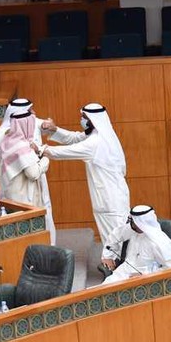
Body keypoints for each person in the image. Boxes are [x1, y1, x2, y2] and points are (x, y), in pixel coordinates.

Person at [42, 103, 130, 243]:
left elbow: (65, 152)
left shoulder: (95, 142)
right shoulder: (102, 134)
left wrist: (41, 149)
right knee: (113, 242)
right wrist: (55, 130)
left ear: (92, 119)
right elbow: (74, 138)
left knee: (115, 243)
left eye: (83, 117)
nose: (81, 120)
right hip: (112, 198)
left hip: (109, 202)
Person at [0, 98, 56, 245]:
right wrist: (45, 158)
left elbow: (45, 126)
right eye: (30, 110)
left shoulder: (21, 128)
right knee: (31, 229)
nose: (34, 113)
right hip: (26, 189)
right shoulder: (8, 135)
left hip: (24, 185)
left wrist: (49, 126)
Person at [101, 205, 171, 284]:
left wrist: (146, 275)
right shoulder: (132, 229)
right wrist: (108, 256)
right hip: (124, 271)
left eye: (134, 222)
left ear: (141, 223)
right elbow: (115, 235)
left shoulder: (160, 241)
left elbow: (170, 268)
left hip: (146, 279)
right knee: (103, 288)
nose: (131, 224)